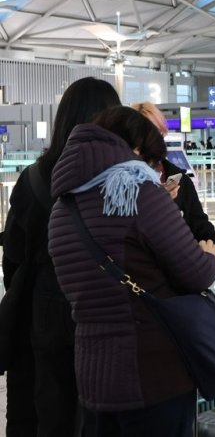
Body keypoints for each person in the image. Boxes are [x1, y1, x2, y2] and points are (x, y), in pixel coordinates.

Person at [47, 106, 215, 436]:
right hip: (151, 371)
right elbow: (196, 273)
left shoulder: (62, 206)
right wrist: (210, 256)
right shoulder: (138, 191)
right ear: (138, 150)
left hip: (93, 372)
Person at [0, 77, 120, 437]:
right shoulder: (119, 178)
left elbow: (14, 256)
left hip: (47, 304)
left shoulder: (34, 177)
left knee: (50, 401)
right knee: (100, 402)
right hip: (104, 302)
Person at [131, 102, 215, 259]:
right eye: (143, 133)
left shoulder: (178, 178)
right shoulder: (121, 180)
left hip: (179, 267)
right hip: (143, 269)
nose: (151, 140)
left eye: (156, 132)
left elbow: (198, 224)